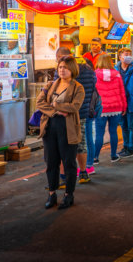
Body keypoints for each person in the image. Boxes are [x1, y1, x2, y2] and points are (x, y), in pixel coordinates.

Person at [36, 55, 85, 209]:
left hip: (68, 128)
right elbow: (39, 103)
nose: (62, 70)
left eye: (66, 67)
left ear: (72, 69)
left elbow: (74, 107)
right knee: (51, 163)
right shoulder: (51, 84)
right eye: (60, 67)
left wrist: (56, 104)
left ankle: (68, 195)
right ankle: (52, 194)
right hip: (50, 126)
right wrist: (56, 110)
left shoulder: (78, 87)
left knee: (69, 163)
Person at [56, 47, 96, 182]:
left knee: (64, 145)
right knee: (81, 143)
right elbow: (93, 89)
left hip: (65, 114)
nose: (60, 67)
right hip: (83, 112)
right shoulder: (89, 70)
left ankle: (63, 176)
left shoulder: (63, 75)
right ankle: (84, 173)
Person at [94, 54, 127, 163]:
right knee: (113, 131)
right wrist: (124, 106)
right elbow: (122, 92)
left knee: (99, 133)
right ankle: (113, 155)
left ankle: (95, 157)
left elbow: (93, 93)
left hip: (101, 108)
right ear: (110, 62)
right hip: (116, 107)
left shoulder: (95, 75)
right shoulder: (117, 75)